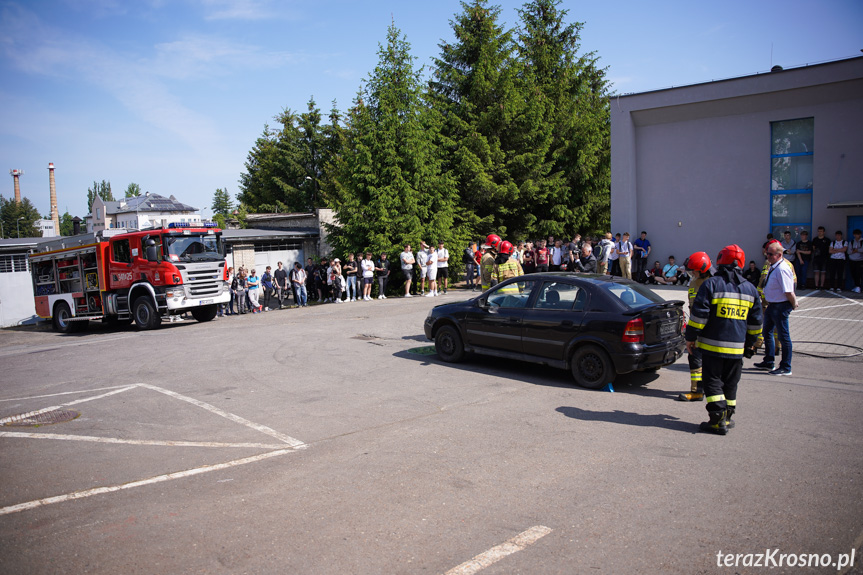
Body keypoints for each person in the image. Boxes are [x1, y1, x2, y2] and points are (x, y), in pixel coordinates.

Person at [685, 244, 763, 434]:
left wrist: (690, 337)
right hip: (737, 349)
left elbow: (699, 316)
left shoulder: (711, 285)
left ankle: (716, 420)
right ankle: (727, 418)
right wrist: (752, 344)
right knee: (731, 383)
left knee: (713, 382)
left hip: (712, 346)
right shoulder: (750, 289)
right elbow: (756, 322)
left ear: (720, 261)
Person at [753, 241, 798, 376]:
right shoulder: (774, 266)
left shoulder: (782, 269)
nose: (768, 256)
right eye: (767, 253)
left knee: (784, 337)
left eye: (771, 254)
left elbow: (788, 291)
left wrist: (793, 303)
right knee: (767, 333)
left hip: (780, 305)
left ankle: (785, 366)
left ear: (779, 255)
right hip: (772, 305)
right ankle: (769, 361)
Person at [678, 252, 713, 402]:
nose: (692, 272)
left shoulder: (713, 283)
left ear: (703, 270)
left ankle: (706, 389)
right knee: (694, 357)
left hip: (710, 328)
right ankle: (697, 390)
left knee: (708, 361)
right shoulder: (693, 282)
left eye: (694, 270)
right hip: (695, 324)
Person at [849, 229, 863, 294]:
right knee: (853, 273)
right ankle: (856, 286)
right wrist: (856, 250)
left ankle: (858, 286)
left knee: (858, 273)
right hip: (852, 260)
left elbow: (862, 250)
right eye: (856, 234)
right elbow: (849, 251)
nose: (857, 236)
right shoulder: (851, 242)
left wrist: (856, 250)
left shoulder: (862, 241)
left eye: (858, 234)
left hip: (860, 260)